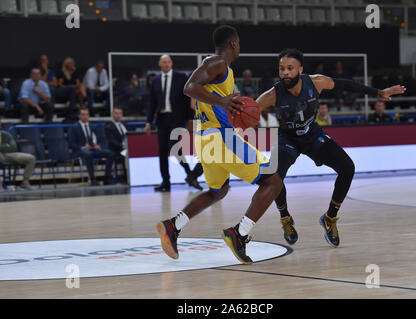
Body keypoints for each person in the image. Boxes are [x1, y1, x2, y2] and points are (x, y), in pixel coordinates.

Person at [156, 25, 283, 264]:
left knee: (219, 190)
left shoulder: (220, 69)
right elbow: (189, 87)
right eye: (239, 43)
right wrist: (222, 102)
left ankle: (174, 226)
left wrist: (231, 110)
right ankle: (240, 233)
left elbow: (213, 98)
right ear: (234, 43)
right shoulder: (218, 64)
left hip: (205, 140)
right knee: (273, 181)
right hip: (220, 139)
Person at [256, 48, 405, 247]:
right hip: (287, 138)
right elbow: (249, 112)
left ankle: (330, 218)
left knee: (347, 168)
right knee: (274, 175)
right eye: (282, 68)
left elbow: (346, 85)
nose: (285, 72)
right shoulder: (272, 95)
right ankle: (285, 218)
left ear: (300, 69)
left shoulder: (316, 82)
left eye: (290, 68)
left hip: (312, 134)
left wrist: (377, 92)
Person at [145, 54, 201, 192]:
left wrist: (190, 118)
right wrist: (148, 121)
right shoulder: (156, 81)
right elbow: (152, 103)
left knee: (174, 146)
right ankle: (166, 182)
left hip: (177, 118)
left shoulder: (181, 77)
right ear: (159, 64)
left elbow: (188, 99)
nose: (166, 64)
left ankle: (190, 174)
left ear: (171, 63)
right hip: (162, 118)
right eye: (164, 62)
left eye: (168, 62)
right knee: (162, 151)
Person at [68, 107, 115, 186]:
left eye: (87, 114)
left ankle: (107, 177)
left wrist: (97, 145)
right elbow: (71, 143)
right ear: (79, 116)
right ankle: (92, 178)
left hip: (93, 149)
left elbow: (97, 139)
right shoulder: (74, 127)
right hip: (80, 151)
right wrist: (82, 147)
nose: (85, 116)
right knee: (88, 154)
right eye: (83, 115)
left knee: (110, 153)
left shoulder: (92, 126)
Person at [0, 119, 36, 190]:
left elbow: (13, 147)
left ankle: (25, 183)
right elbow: (8, 146)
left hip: (9, 154)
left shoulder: (5, 134)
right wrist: (5, 146)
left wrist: (2, 147)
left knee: (31, 158)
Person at [105, 106, 128, 183]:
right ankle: (126, 177)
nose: (118, 115)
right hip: (116, 149)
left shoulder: (124, 125)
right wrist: (123, 147)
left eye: (120, 113)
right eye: (116, 113)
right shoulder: (109, 127)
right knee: (125, 154)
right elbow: (112, 141)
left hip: (126, 148)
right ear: (112, 114)